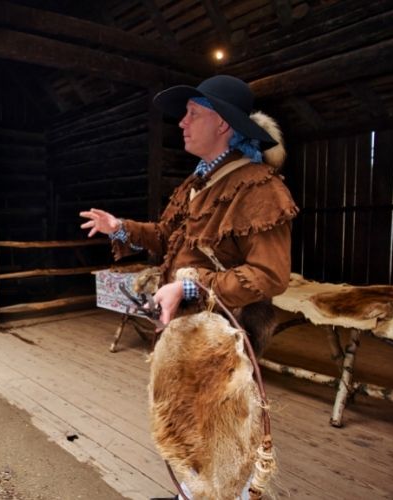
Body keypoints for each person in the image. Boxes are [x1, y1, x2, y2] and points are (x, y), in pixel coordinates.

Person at [81, 76, 298, 500]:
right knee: (188, 432)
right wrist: (120, 227)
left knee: (224, 440)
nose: (181, 122)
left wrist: (191, 287)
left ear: (223, 125)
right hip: (186, 335)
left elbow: (270, 276)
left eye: (193, 114)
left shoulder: (260, 187)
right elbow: (167, 237)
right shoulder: (197, 183)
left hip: (226, 342)